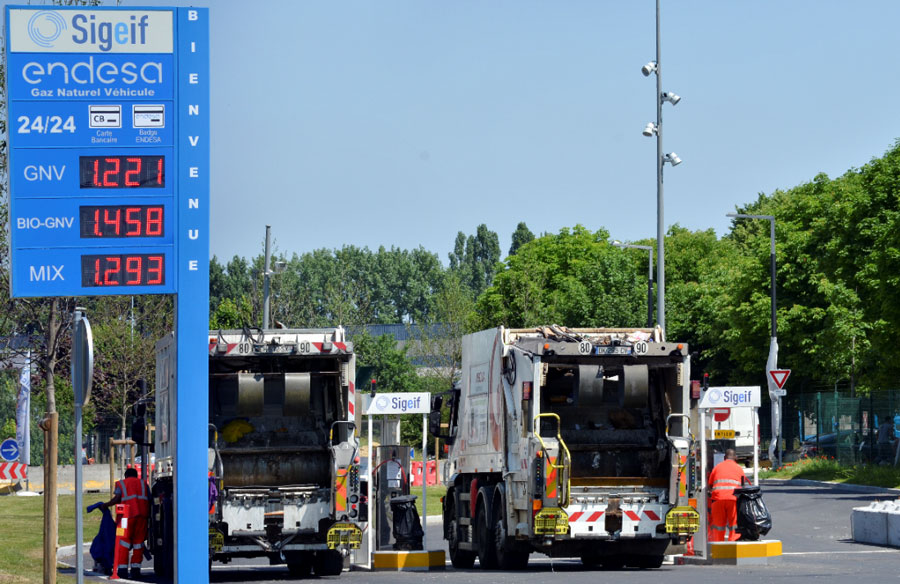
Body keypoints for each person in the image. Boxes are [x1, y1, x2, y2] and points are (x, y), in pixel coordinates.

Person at [101, 468, 150, 579]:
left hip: (126, 518)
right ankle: (136, 570)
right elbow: (150, 499)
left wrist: (106, 505)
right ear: (136, 475)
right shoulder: (143, 484)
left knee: (123, 542)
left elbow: (117, 498)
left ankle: (122, 570)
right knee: (139, 543)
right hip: (142, 517)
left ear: (126, 475)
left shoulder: (122, 483)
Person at [708, 448, 747, 542]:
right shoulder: (739, 468)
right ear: (735, 458)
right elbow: (743, 486)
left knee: (718, 526)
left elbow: (710, 484)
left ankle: (718, 548)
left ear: (724, 457)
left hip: (718, 499)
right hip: (733, 500)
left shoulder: (717, 467)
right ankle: (732, 546)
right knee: (734, 525)